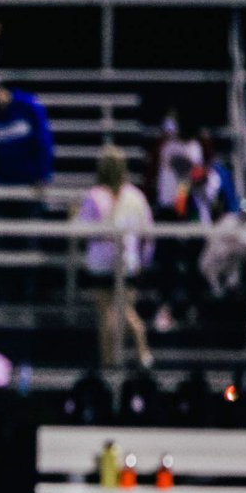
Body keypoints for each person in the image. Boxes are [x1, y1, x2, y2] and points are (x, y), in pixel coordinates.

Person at [77, 147, 155, 368]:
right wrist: (144, 260)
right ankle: (140, 351)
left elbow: (85, 229)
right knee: (124, 310)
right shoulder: (136, 196)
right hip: (127, 261)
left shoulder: (94, 196)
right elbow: (148, 234)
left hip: (102, 262)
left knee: (107, 315)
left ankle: (109, 361)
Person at [0, 70, 54, 218]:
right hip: (1, 186)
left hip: (30, 185)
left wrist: (43, 176)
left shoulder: (28, 105)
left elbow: (43, 143)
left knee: (29, 234)